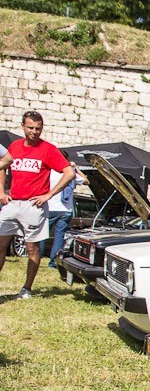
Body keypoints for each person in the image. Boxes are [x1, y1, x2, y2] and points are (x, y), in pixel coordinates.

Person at [0, 111, 75, 299]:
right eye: (30, 128)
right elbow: (4, 165)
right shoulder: (15, 146)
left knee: (32, 248)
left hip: (33, 206)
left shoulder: (48, 149)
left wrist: (49, 195)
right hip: (12, 203)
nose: (34, 132)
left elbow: (69, 173)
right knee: (1, 244)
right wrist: (1, 192)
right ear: (22, 127)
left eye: (38, 128)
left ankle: (27, 288)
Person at [42, 152, 89, 268]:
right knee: (59, 238)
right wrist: (76, 168)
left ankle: (36, 258)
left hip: (50, 208)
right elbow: (86, 181)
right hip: (66, 209)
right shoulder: (71, 173)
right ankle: (53, 262)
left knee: (42, 235)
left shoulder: (50, 172)